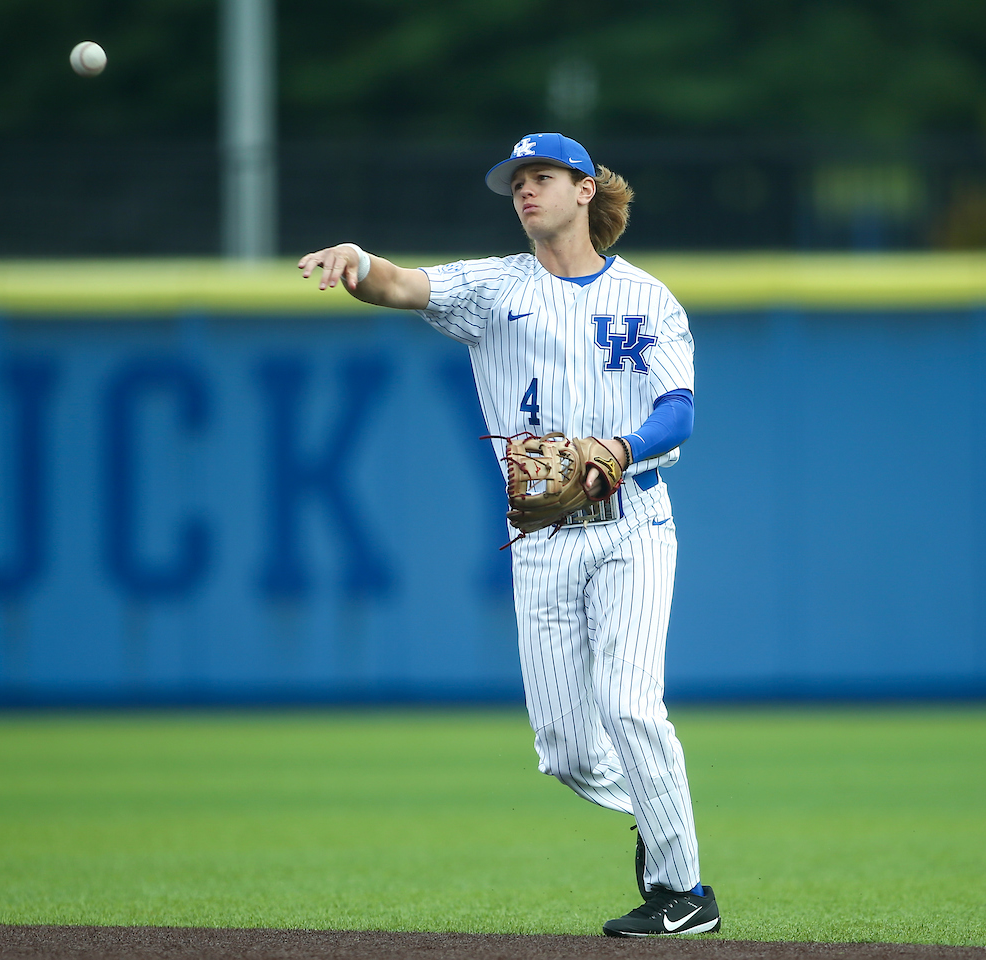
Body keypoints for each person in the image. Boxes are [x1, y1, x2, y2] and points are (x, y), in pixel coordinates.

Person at [298, 132, 719, 938]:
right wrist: (358, 260)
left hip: (635, 523)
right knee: (563, 751)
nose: (525, 191)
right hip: (542, 537)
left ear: (586, 190)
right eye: (517, 181)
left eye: (542, 177)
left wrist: (621, 447)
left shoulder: (648, 298)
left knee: (630, 704)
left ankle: (684, 891)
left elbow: (680, 413)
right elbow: (400, 285)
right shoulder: (493, 289)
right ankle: (662, 821)